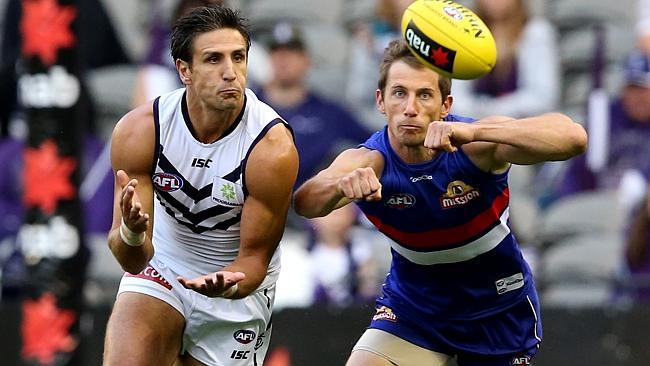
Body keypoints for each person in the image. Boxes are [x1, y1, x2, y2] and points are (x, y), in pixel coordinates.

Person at [293, 39, 588, 365]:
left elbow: (573, 138)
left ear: (445, 104)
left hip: (496, 310)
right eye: (399, 93)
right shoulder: (368, 160)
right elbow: (306, 202)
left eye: (424, 95)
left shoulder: (475, 144)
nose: (410, 108)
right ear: (381, 100)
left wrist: (477, 132)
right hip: (415, 310)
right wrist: (341, 186)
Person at [102, 5, 298, 366]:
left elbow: (254, 260)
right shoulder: (141, 130)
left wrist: (229, 283)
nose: (230, 73)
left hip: (235, 288)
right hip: (164, 261)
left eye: (238, 57)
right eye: (213, 59)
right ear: (184, 70)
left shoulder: (271, 148)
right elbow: (132, 258)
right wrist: (131, 232)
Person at [450, 0, 560, 119]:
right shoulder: (465, 32)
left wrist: (492, 111)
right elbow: (456, 95)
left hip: (521, 125)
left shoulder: (535, 32)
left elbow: (541, 97)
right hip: (473, 126)